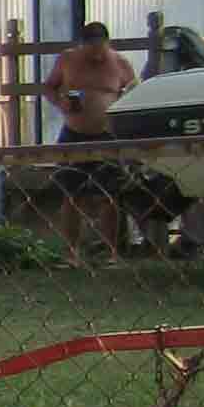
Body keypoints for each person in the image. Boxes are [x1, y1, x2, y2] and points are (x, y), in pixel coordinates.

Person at [41, 22, 148, 257]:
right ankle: (72, 253)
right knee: (71, 196)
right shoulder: (68, 60)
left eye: (100, 50)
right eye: (91, 51)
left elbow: (135, 92)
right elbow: (49, 87)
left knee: (108, 196)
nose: (96, 57)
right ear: (83, 46)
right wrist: (60, 102)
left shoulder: (120, 64)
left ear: (107, 44)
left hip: (106, 136)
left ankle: (111, 252)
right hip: (73, 134)